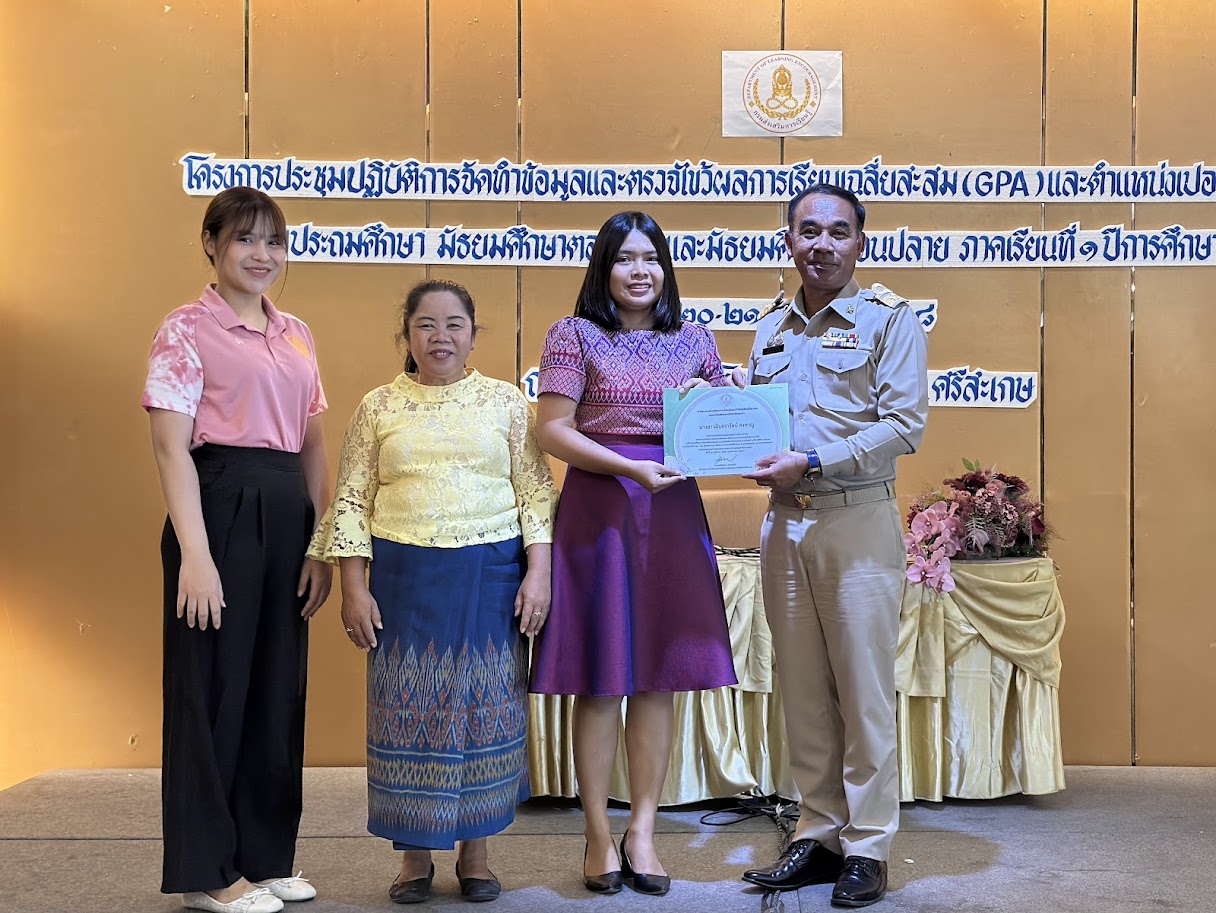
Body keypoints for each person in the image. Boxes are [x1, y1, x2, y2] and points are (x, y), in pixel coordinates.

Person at [307, 279, 557, 905]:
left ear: (473, 335)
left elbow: (535, 491)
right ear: (407, 334)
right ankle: (413, 859)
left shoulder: (505, 402)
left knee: (484, 709)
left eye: (454, 325)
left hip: (491, 575)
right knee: (408, 711)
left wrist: (540, 572)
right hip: (403, 579)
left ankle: (476, 855)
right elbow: (351, 499)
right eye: (426, 324)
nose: (440, 336)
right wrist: (353, 587)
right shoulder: (378, 407)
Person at [529, 211, 738, 897]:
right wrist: (627, 466)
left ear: (666, 268)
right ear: (604, 268)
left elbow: (726, 426)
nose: (639, 271)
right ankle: (598, 832)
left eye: (651, 258)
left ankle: (642, 830)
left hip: (672, 510)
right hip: (600, 509)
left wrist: (720, 399)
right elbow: (552, 430)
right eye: (624, 258)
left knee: (657, 675)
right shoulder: (574, 333)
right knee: (601, 677)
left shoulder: (696, 338)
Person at [738, 183, 928, 907]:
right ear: (789, 241)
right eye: (809, 231)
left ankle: (868, 845)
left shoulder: (890, 321)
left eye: (838, 231)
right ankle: (818, 833)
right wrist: (716, 410)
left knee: (864, 692)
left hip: (856, 520)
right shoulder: (769, 329)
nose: (822, 244)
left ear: (860, 243)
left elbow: (904, 424)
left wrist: (814, 462)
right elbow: (759, 421)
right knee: (804, 691)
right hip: (784, 523)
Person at [143, 187, 333, 913]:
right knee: (214, 691)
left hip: (288, 513)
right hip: (219, 509)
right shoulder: (186, 328)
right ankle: (210, 873)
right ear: (211, 243)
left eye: (274, 241)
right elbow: (171, 447)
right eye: (247, 239)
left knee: (277, 689)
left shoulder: (296, 333)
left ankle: (264, 855)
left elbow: (312, 440)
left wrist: (322, 540)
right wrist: (195, 553)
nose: (263, 255)